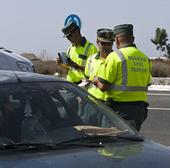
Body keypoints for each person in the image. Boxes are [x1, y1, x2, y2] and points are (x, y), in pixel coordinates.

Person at [93, 24, 152, 131]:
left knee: (114, 144)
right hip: (139, 111)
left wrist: (95, 80)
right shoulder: (145, 58)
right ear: (133, 39)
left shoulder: (115, 56)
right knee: (132, 143)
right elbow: (147, 83)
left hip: (119, 110)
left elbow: (103, 87)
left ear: (116, 39)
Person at [84, 28, 114, 101]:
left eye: (109, 43)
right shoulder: (91, 59)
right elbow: (86, 80)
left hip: (108, 103)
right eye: (103, 43)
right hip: (91, 101)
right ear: (97, 42)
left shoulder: (116, 60)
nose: (106, 47)